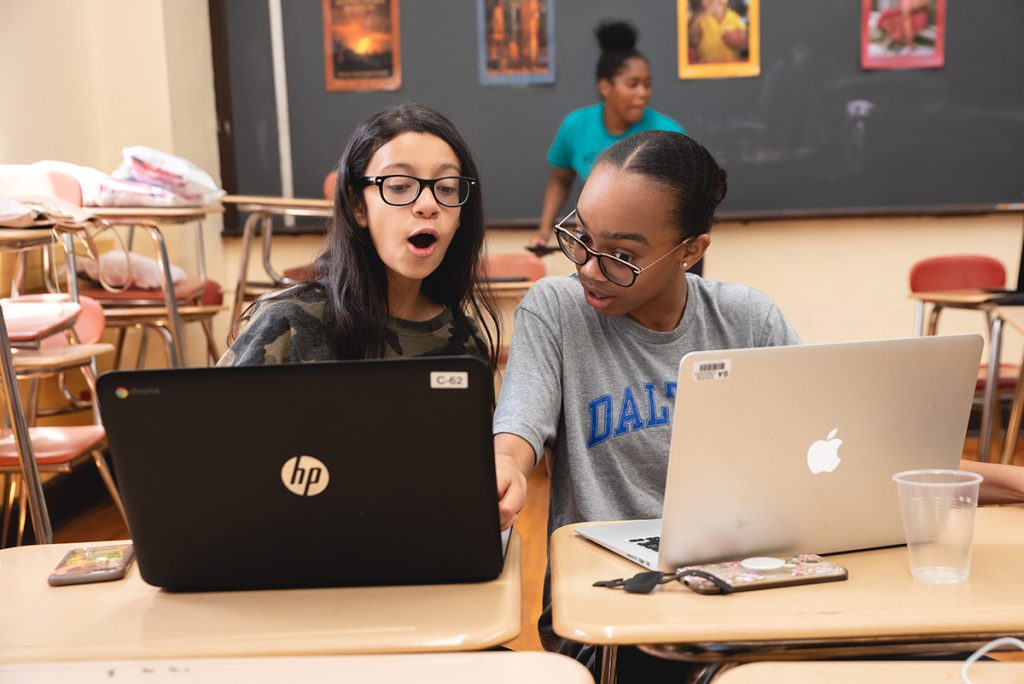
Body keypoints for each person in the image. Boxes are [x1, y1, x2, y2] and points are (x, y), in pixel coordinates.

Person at [491, 130, 1024, 680]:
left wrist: (1008, 483)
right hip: (618, 611)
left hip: (748, 588)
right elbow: (519, 426)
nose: (589, 268)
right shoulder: (556, 310)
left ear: (692, 249)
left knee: (945, 661)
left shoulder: (746, 317)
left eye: (622, 255)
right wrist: (507, 463)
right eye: (580, 237)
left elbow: (847, 456)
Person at [219, 102, 500, 371]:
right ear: (357, 207)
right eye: (400, 186)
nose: (428, 204)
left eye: (447, 188)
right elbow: (211, 418)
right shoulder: (289, 322)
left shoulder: (465, 342)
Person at [529, 20, 685, 248]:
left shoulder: (670, 133)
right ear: (605, 87)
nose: (643, 93)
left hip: (658, 249)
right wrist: (544, 230)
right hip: (603, 246)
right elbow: (560, 180)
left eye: (647, 84)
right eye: (633, 84)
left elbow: (686, 200)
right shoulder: (575, 126)